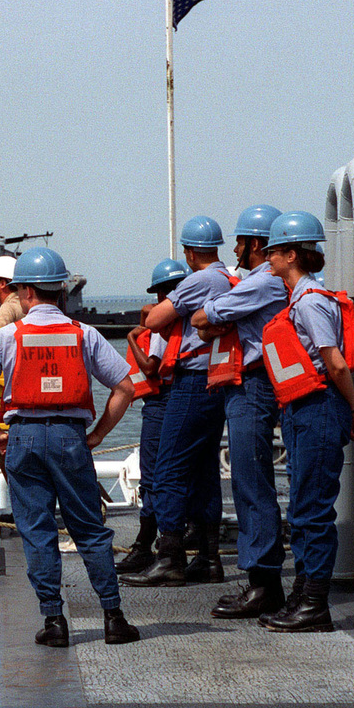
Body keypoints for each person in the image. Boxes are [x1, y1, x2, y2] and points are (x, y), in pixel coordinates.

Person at [0, 246, 140, 647]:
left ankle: (54, 623)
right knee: (90, 529)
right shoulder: (84, 334)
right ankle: (113, 617)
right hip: (70, 439)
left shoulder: (7, 336)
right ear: (61, 291)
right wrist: (99, 434)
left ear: (25, 292)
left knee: (37, 531)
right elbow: (125, 388)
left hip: (22, 436)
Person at [258, 211, 354, 633]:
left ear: (290, 254)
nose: (267, 259)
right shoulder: (299, 299)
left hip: (319, 407)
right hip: (302, 410)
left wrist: (352, 408)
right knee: (301, 505)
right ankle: (303, 594)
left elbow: (334, 362)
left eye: (273, 252)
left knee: (313, 508)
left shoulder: (312, 301)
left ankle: (315, 603)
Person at [120, 216, 232, 588]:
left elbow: (156, 318)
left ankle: (169, 557)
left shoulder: (199, 280)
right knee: (203, 470)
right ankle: (209, 557)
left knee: (167, 469)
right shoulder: (231, 279)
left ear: (189, 251)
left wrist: (144, 323)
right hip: (217, 380)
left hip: (191, 381)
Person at [190, 205, 290, 618]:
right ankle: (264, 582)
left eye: (240, 240)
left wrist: (213, 319)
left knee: (251, 483)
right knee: (251, 481)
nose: (233, 248)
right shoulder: (264, 283)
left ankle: (265, 584)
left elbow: (201, 317)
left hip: (254, 386)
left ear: (257, 245)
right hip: (250, 386)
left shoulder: (263, 282)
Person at [115, 258, 188, 575]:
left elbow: (150, 368)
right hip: (183, 396)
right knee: (177, 474)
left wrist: (133, 337)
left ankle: (145, 546)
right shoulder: (189, 320)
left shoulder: (161, 324)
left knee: (154, 474)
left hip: (160, 401)